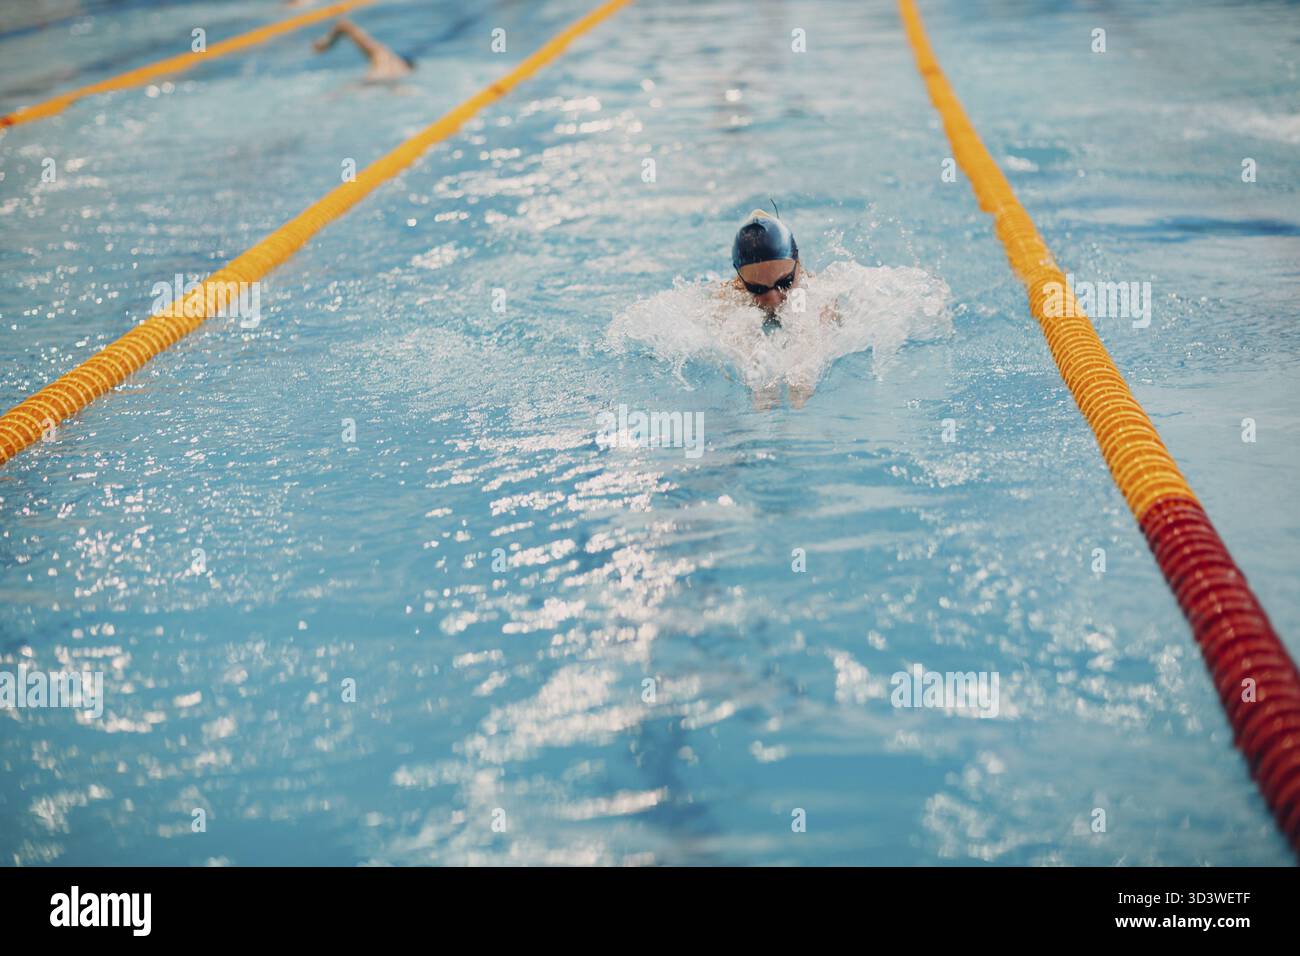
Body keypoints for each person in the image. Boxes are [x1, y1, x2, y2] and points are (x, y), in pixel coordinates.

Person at [727, 209, 802, 323]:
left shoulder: (822, 300)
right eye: (757, 289)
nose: (774, 300)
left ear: (798, 264)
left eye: (785, 283)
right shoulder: (725, 306)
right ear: (740, 279)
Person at [312, 19, 414, 83]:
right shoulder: (401, 73)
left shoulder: (381, 54)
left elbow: (344, 24)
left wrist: (326, 43)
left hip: (367, 84)